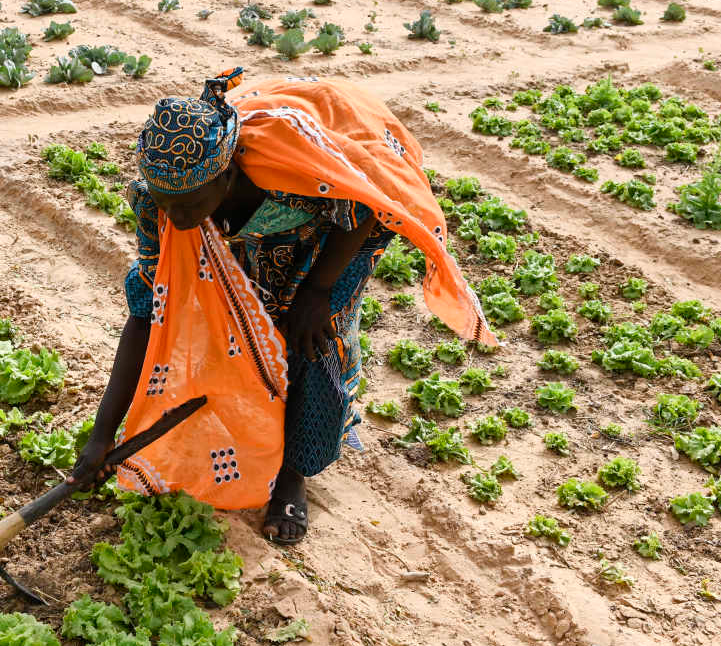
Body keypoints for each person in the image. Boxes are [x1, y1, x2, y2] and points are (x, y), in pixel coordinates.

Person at [68, 69, 496, 545]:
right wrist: (102, 435)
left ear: (228, 176)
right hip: (252, 229)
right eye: (168, 204)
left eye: (189, 204)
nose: (179, 219)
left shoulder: (296, 175)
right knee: (240, 322)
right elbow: (149, 309)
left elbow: (362, 207)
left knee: (313, 335)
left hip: (339, 229)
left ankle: (295, 473)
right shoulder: (159, 204)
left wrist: (317, 291)